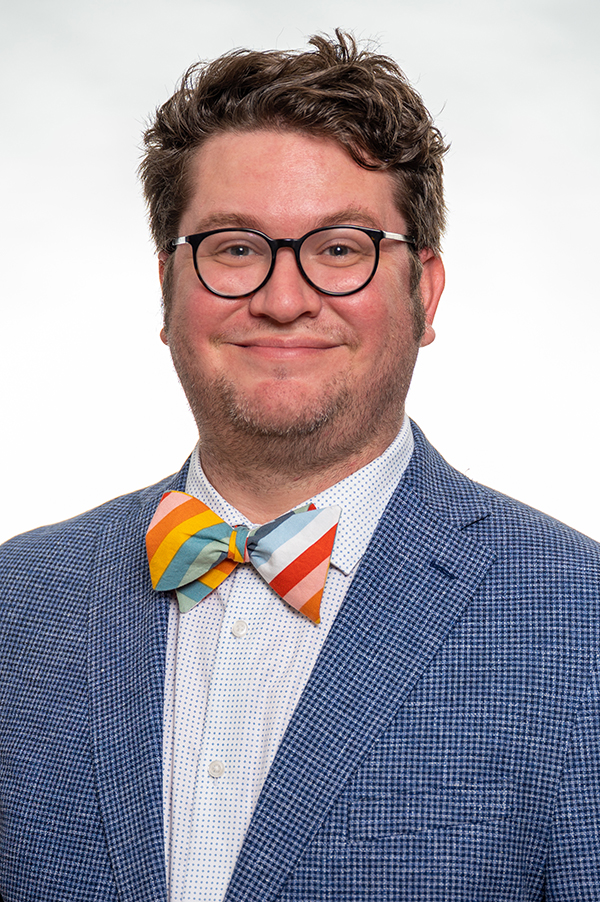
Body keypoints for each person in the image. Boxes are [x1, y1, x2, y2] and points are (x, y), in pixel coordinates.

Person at [1, 30, 599, 902]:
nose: (284, 300)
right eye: (235, 248)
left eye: (341, 248)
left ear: (424, 293)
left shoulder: (581, 623)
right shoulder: (17, 600)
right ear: (167, 293)